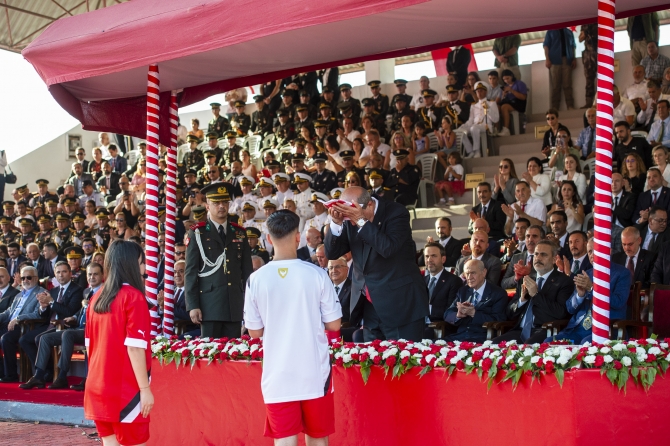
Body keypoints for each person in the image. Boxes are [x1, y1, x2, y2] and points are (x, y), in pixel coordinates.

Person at [244, 210, 341, 446]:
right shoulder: (317, 274)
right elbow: (334, 324)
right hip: (315, 374)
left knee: (284, 442)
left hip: (278, 375)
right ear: (298, 237)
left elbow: (255, 332)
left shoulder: (255, 280)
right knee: (318, 440)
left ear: (268, 239)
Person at [325, 186, 428, 341]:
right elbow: (332, 253)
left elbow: (388, 248)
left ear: (370, 205)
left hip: (401, 304)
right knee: (372, 361)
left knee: (404, 360)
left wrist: (361, 220)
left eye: (352, 215)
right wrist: (336, 223)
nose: (351, 222)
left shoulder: (396, 212)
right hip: (369, 305)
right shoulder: (350, 218)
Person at [84, 240, 153, 446]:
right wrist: (145, 389)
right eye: (142, 262)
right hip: (125, 390)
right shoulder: (133, 297)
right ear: (131, 263)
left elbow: (90, 347)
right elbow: (134, 347)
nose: (144, 268)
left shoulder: (96, 298)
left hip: (97, 387)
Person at [184, 183, 252, 339]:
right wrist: (193, 305)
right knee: (210, 356)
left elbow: (247, 273)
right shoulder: (198, 233)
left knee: (233, 355)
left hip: (233, 305)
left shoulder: (239, 233)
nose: (221, 206)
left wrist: (249, 304)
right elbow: (191, 272)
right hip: (209, 306)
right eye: (216, 203)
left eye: (224, 202)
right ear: (207, 206)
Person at [21, 262, 98, 390]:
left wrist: (51, 301)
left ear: (70, 273)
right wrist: (43, 307)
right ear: (55, 275)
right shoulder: (54, 291)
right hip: (51, 326)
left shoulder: (78, 290)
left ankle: (60, 376)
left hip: (67, 326)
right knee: (38, 338)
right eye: (58, 272)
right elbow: (46, 314)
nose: (61, 275)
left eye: (64, 272)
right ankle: (39, 375)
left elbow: (69, 312)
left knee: (42, 338)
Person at [549, 238, 631, 344]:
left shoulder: (622, 273)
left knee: (586, 344)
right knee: (549, 342)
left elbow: (618, 302)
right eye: (589, 251)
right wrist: (580, 295)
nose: (592, 255)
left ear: (609, 251)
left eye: (596, 250)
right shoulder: (586, 274)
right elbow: (570, 308)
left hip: (606, 329)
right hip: (578, 329)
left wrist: (592, 289)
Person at [492, 240, 574, 344]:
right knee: (493, 345)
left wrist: (536, 295)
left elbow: (561, 313)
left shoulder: (564, 282)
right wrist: (522, 300)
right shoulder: (525, 279)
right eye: (536, 254)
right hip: (519, 331)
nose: (538, 258)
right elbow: (509, 313)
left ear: (554, 259)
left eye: (543, 255)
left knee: (527, 348)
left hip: (544, 330)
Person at [0, 266, 47, 382]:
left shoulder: (41, 292)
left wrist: (18, 319)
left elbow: (37, 314)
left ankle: (11, 375)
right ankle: (1, 372)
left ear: (36, 278)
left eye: (29, 277)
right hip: (10, 325)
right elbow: (8, 312)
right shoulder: (19, 295)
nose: (25, 280)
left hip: (24, 326)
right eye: (22, 278)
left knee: (6, 338)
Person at [444, 259, 507, 343]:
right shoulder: (463, 291)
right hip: (459, 336)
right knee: (430, 345)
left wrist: (474, 314)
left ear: (484, 272)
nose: (469, 277)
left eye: (473, 273)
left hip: (482, 337)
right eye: (467, 274)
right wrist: (458, 315)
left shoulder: (498, 293)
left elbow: (499, 319)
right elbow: (447, 314)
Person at [423, 242, 463, 325]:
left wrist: (425, 309)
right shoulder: (421, 281)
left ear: (443, 259)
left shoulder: (454, 281)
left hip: (440, 327)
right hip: (419, 325)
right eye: (427, 256)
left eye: (433, 256)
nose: (429, 260)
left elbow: (451, 311)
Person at [459, 82, 498, 158]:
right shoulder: (474, 105)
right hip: (475, 125)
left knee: (474, 128)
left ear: (485, 92)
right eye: (477, 91)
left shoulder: (491, 103)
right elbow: (471, 120)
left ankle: (477, 151)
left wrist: (488, 109)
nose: (479, 93)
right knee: (461, 131)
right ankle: (470, 151)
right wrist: (464, 125)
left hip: (486, 126)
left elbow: (496, 119)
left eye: (481, 91)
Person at [500, 225, 543, 290]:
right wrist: (516, 278)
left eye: (534, 236)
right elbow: (504, 283)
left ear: (542, 239)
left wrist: (528, 274)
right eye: (528, 236)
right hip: (518, 297)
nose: (530, 239)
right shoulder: (516, 257)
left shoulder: (547, 257)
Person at [543, 28, 577, 110]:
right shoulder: (550, 31)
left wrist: (574, 58)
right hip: (554, 61)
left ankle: (570, 106)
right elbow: (546, 46)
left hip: (567, 60)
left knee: (567, 85)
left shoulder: (569, 32)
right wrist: (547, 59)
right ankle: (555, 108)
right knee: (555, 86)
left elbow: (573, 46)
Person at [497, 69, 528, 136]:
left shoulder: (519, 83)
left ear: (512, 76)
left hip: (519, 103)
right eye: (504, 79)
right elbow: (502, 100)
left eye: (508, 78)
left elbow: (523, 97)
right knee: (497, 107)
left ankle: (506, 129)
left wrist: (512, 90)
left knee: (504, 107)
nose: (506, 81)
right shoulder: (505, 86)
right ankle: (496, 129)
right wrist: (503, 95)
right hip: (509, 102)